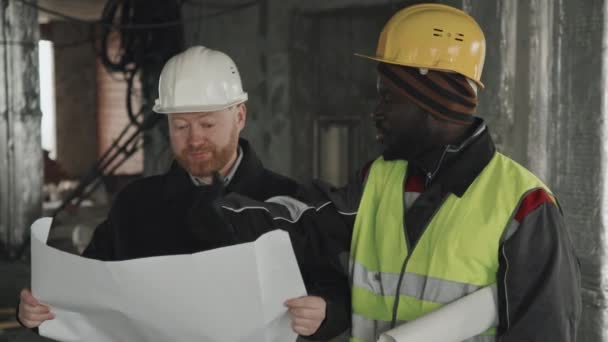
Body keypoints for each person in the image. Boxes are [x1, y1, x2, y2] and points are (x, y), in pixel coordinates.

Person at [196, 4, 582, 341]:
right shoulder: (380, 179)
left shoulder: (524, 206)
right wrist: (218, 209)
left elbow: (544, 331)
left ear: (432, 103)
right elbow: (310, 223)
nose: (375, 113)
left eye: (387, 98)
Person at [17, 46, 349, 340]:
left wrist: (324, 313)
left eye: (207, 124)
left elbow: (336, 294)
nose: (194, 140)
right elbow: (87, 294)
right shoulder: (136, 205)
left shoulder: (288, 201)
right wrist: (40, 313)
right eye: (180, 126)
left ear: (240, 116)